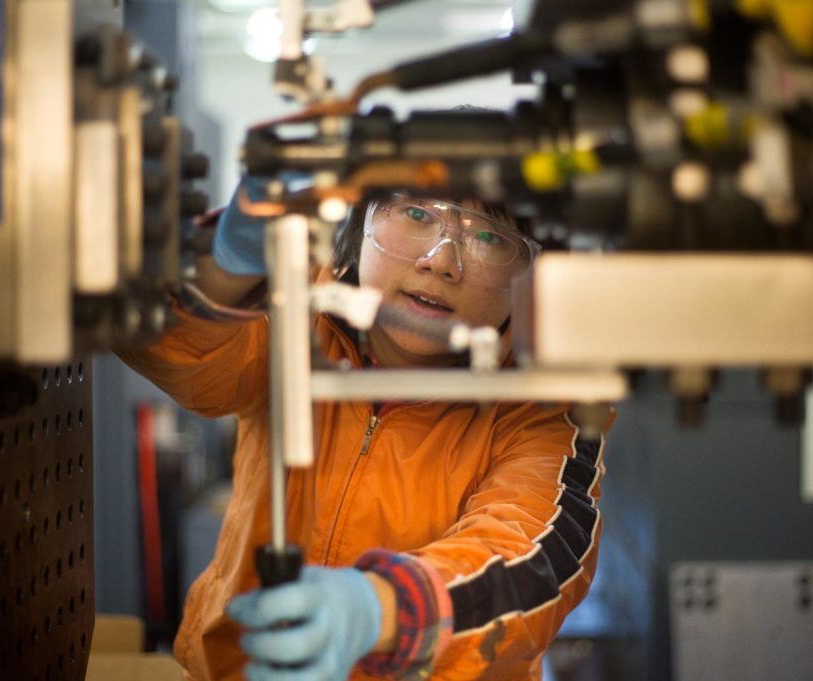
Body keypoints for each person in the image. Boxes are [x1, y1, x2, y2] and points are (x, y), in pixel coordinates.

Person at [119, 174, 608, 680]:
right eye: (418, 215)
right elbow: (175, 350)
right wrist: (220, 272)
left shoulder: (540, 402)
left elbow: (533, 557)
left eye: (488, 238)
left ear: (528, 279)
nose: (441, 261)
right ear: (362, 224)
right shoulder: (294, 313)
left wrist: (382, 610)